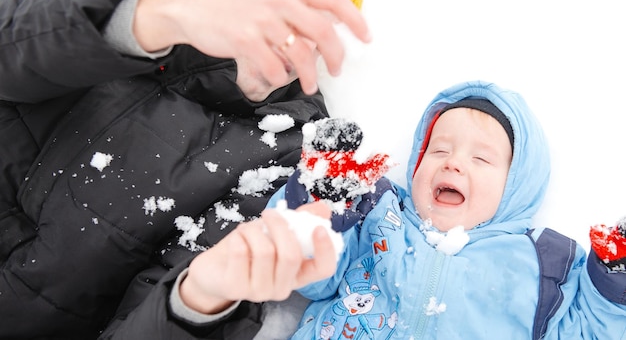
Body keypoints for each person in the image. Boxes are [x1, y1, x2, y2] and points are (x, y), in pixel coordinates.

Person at [0, 0, 370, 339]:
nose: (296, 44)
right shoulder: (128, 11)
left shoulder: (283, 151)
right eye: (283, 13)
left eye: (319, 27)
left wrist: (196, 302)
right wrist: (154, 16)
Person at [186, 80, 626, 339]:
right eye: (439, 150)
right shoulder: (378, 209)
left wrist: (614, 284)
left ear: (517, 184)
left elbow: (587, 331)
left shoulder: (541, 263)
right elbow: (310, 276)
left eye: (481, 159)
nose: (453, 162)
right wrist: (320, 202)